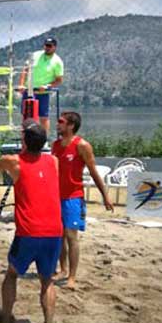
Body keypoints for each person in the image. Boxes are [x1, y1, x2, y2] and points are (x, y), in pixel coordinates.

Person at [0, 120, 62, 323]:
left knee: (11, 275)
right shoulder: (53, 161)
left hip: (29, 231)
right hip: (55, 230)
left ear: (24, 142)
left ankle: (5, 322)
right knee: (47, 281)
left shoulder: (13, 162)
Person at [52, 111, 114, 289]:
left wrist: (105, 195)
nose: (58, 124)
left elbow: (93, 171)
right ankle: (62, 269)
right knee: (59, 235)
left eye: (61, 122)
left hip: (73, 197)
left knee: (72, 236)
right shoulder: (56, 145)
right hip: (56, 196)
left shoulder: (82, 145)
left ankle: (72, 277)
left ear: (71, 125)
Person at [19, 37, 64, 134]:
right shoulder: (35, 55)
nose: (47, 47)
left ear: (54, 47)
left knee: (43, 117)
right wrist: (21, 85)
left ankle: (44, 140)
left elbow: (59, 80)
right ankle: (26, 140)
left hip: (43, 91)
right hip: (29, 90)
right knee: (26, 116)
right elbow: (25, 70)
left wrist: (47, 86)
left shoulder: (57, 61)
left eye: (49, 46)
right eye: (45, 45)